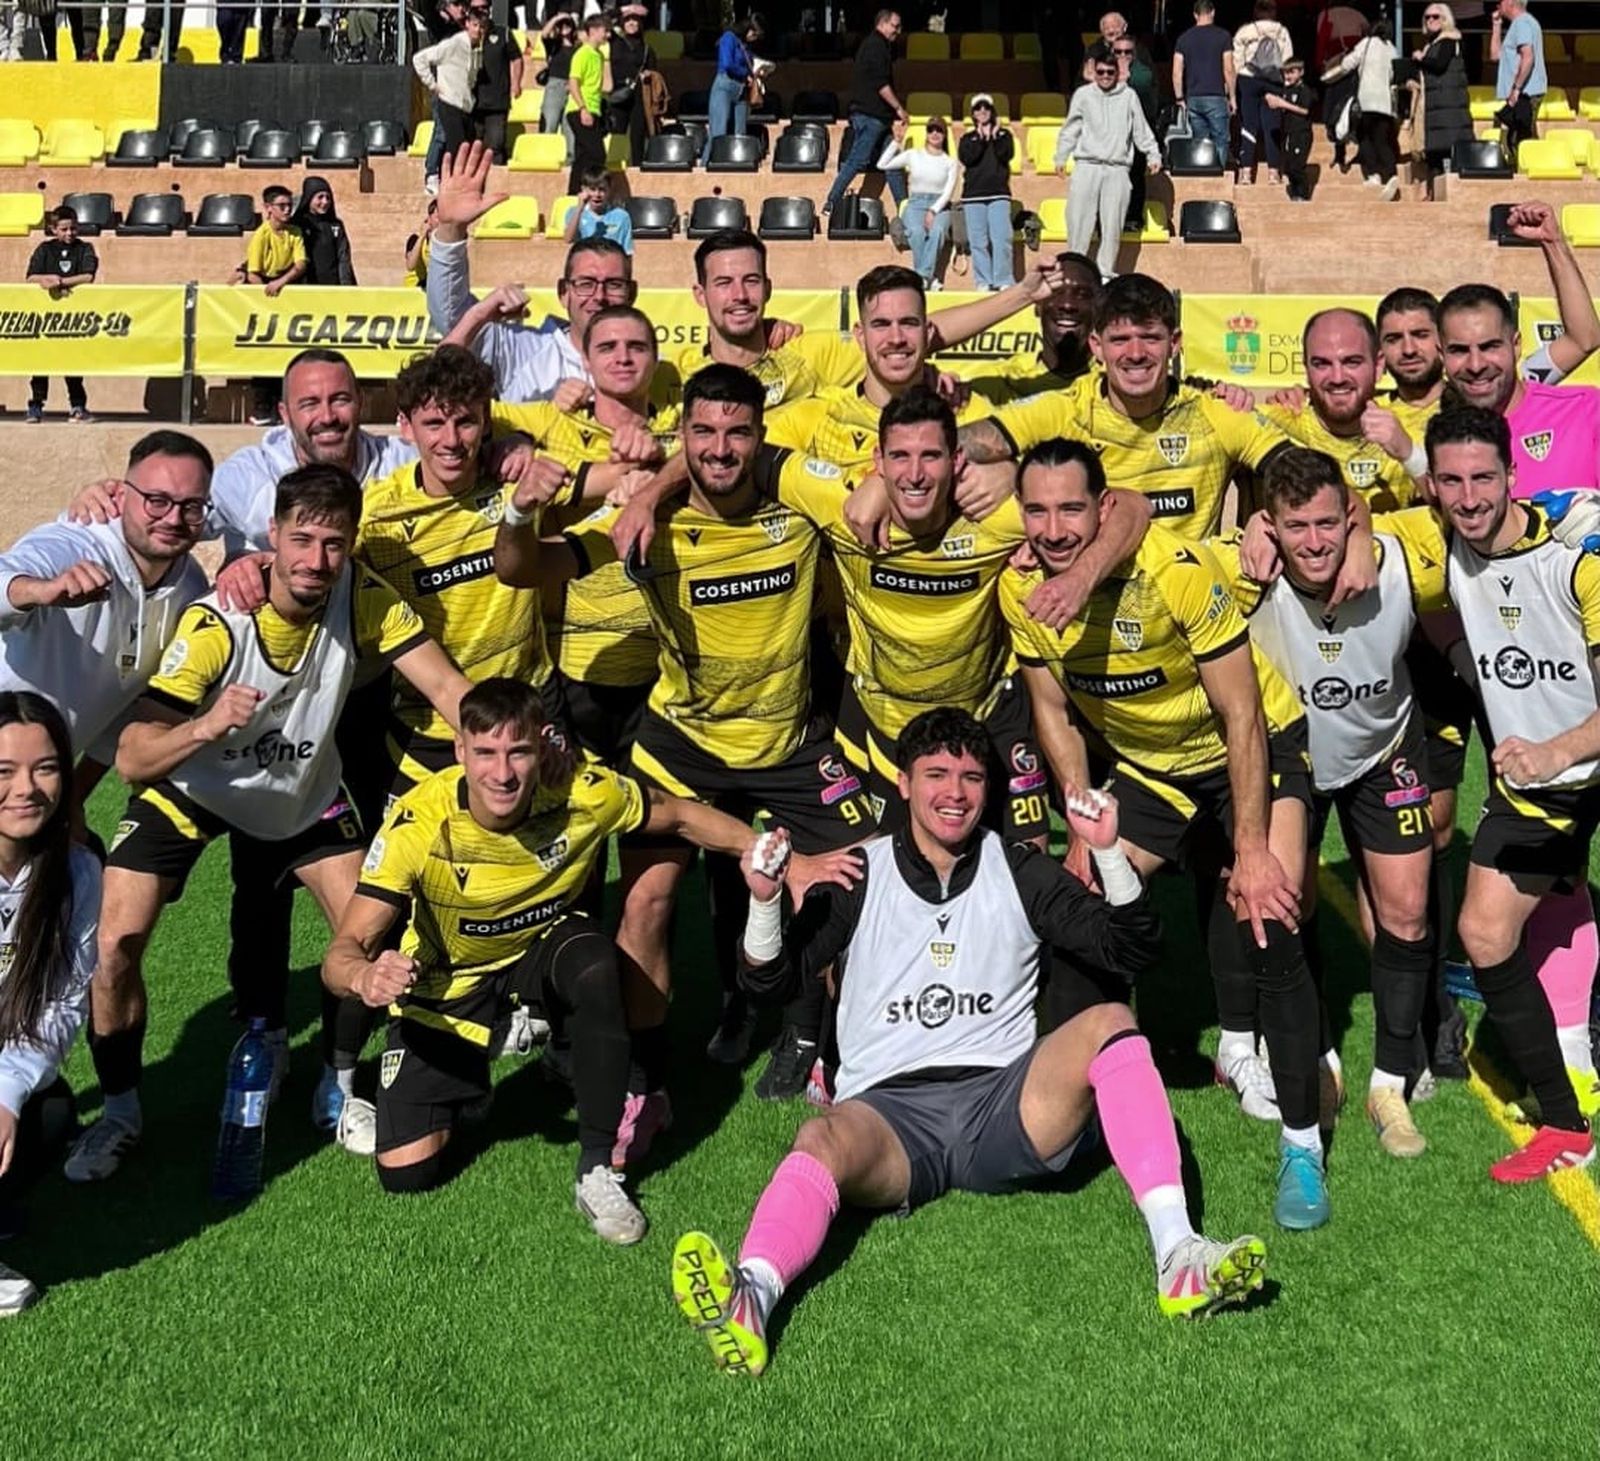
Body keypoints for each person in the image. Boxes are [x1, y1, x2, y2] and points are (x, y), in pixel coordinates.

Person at [670, 708, 1268, 1377]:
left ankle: (1179, 1252)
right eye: (936, 775)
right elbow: (770, 983)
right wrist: (762, 900)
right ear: (901, 783)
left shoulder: (1018, 867)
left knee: (1112, 1022)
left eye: (971, 777)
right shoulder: (857, 872)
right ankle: (751, 1293)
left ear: (990, 789)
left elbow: (1130, 944)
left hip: (1004, 1103)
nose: (954, 792)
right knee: (818, 1140)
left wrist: (1106, 850)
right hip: (890, 1116)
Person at [324, 677, 851, 1236]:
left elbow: (677, 816)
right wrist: (365, 977)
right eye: (485, 753)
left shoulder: (583, 791)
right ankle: (473, 1070)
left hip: (540, 957)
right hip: (449, 984)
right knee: (409, 1173)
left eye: (518, 752)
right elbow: (343, 951)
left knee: (596, 963)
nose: (502, 774)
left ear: (541, 748)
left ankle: (598, 1169)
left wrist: (782, 863)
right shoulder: (419, 823)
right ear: (460, 751)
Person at [64, 465, 473, 1183]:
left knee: (366, 928)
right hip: (197, 789)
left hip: (301, 794)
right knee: (114, 944)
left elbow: (448, 689)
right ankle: (121, 1112)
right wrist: (207, 725)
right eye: (303, 539)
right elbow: (133, 756)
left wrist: (508, 745)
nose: (317, 560)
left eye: (334, 543)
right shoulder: (218, 622)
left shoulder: (364, 600)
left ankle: (339, 1085)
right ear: (273, 537)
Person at [497, 365, 879, 1107]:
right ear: (683, 438)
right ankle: (644, 1075)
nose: (720, 448)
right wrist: (518, 515)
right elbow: (523, 572)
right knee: (644, 904)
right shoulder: (649, 525)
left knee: (854, 887)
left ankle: (824, 1041)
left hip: (790, 737)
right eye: (702, 432)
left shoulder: (796, 508)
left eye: (737, 432)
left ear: (761, 439)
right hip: (681, 741)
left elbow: (877, 499)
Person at [1001, 439, 1329, 1228]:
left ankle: (1303, 1143)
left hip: (1252, 746)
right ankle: (1082, 1108)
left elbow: (1242, 713)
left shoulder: (1176, 569)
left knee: (1270, 911)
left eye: (1071, 508)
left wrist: (1250, 850)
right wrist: (1079, 814)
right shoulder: (1020, 591)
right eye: (1037, 509)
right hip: (1154, 769)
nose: (1053, 527)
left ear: (1104, 506)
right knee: (1080, 906)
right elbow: (1052, 713)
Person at [1213, 449, 1450, 1157]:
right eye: (1295, 525)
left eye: (1327, 523)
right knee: (1285, 903)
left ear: (1350, 516)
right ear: (1269, 524)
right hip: (1292, 760)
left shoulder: (1402, 555)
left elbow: (1483, 511)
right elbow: (1144, 536)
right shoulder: (1242, 568)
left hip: (1386, 750)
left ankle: (1389, 1080)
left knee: (1406, 910)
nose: (1314, 541)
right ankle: (1316, 1057)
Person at [1421, 407, 1597, 1177]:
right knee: (1487, 934)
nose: (1469, 496)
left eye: (1483, 477)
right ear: (1432, 486)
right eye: (1452, 480)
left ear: (1513, 476)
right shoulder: (1440, 543)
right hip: (1546, 782)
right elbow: (1419, 598)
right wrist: (1470, 660)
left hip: (1568, 758)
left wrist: (1552, 748)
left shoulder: (1577, 555)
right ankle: (1565, 1123)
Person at [958, 275, 1292, 543]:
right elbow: (949, 448)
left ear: (1174, 343)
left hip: (1188, 605)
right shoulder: (1066, 409)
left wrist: (1267, 529)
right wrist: (1013, 471)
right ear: (1096, 346)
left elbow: (1304, 472)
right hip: (1087, 605)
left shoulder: (1214, 411)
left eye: (1150, 338)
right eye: (1119, 340)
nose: (1135, 353)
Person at [0, 433, 211, 792]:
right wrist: (40, 591)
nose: (173, 518)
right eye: (156, 501)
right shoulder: (74, 545)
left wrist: (74, 798)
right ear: (122, 495)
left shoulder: (189, 587)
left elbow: (124, 713)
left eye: (190, 506)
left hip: (33, 789)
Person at [0, 693, 101, 1315]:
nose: (28, 789)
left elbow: (64, 1004)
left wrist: (6, 1094)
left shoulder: (79, 872)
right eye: (4, 772)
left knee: (45, 1116)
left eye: (46, 768)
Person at [429, 142, 637, 402]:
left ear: (632, 292)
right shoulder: (522, 349)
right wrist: (451, 232)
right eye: (586, 283)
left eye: (614, 284)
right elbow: (453, 320)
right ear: (563, 292)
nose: (600, 295)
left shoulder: (650, 364)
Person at [1259, 309, 1423, 511]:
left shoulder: (1412, 432)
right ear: (1306, 368)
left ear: (1379, 365)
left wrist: (1408, 454)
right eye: (1322, 364)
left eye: (1351, 362)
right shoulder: (1276, 424)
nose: (1337, 378)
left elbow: (1461, 510)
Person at [1055, 58, 1161, 283]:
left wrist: (1153, 153)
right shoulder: (1083, 95)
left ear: (1117, 73)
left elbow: (1141, 129)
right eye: (1100, 71)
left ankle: (1104, 272)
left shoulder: (1129, 96)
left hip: (1117, 168)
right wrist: (1061, 156)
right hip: (1087, 165)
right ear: (1094, 72)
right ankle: (1074, 268)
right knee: (1078, 220)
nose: (1105, 76)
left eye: (1110, 72)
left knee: (1113, 224)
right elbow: (1071, 128)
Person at [823, 8, 908, 216]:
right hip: (872, 116)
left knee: (893, 165)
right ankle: (832, 200)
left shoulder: (876, 46)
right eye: (895, 26)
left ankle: (904, 210)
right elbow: (881, 84)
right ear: (883, 23)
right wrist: (899, 108)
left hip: (879, 118)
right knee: (858, 159)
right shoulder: (876, 47)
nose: (898, 31)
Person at [24, 207, 97, 425]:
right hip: (46, 318)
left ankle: (78, 406)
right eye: (64, 229)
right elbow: (30, 278)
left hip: (74, 317)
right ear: (53, 229)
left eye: (73, 228)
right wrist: (47, 279)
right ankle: (36, 406)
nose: (69, 233)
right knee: (40, 364)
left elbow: (88, 276)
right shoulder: (44, 249)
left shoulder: (85, 248)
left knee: (72, 364)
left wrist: (62, 282)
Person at [244, 185, 308, 427]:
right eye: (281, 206)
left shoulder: (295, 232)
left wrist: (281, 283)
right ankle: (262, 409)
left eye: (289, 205)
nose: (287, 210)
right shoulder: (261, 235)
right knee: (265, 356)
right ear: (268, 209)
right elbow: (253, 273)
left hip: (288, 292)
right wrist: (267, 293)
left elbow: (300, 263)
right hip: (266, 297)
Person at [1322, 17, 1399, 200]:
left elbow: (1348, 64)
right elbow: (1395, 73)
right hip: (1386, 103)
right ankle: (1392, 174)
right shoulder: (1392, 49)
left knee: (1364, 137)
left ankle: (1373, 175)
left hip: (1366, 100)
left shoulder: (1366, 43)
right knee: (1382, 140)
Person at [876, 116, 957, 289]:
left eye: (939, 130)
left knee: (938, 230)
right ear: (926, 133)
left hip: (940, 205)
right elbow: (882, 165)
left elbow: (948, 192)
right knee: (916, 232)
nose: (935, 133)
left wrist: (933, 211)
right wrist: (897, 142)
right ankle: (929, 279)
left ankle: (921, 276)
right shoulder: (913, 155)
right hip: (915, 203)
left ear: (945, 135)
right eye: (931, 129)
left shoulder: (950, 162)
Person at [957, 96, 1016, 293]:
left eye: (986, 108)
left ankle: (1003, 278)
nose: (982, 111)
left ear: (992, 111)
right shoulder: (967, 139)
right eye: (978, 108)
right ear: (973, 114)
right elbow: (968, 158)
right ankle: (983, 280)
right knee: (978, 242)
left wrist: (995, 134)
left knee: (1001, 238)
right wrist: (981, 139)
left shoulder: (1004, 135)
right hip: (974, 196)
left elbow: (1005, 154)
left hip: (998, 194)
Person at [412, 7, 487, 161]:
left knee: (466, 151)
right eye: (475, 25)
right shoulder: (454, 43)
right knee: (457, 151)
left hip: (466, 106)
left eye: (482, 27)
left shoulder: (477, 50)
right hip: (449, 102)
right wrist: (432, 84)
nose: (478, 30)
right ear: (467, 24)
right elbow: (419, 59)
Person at [1411, 4, 1473, 190]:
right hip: (1437, 112)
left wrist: (1421, 59)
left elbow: (1439, 65)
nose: (1430, 20)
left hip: (1448, 113)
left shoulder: (1449, 41)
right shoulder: (1434, 44)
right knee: (1435, 157)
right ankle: (1432, 193)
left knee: (1444, 156)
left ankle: (1439, 195)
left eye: (1435, 16)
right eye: (1427, 17)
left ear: (1445, 19)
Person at [1234, 0, 1294, 186]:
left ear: (1255, 10)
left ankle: (1245, 173)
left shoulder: (1245, 31)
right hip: (1273, 81)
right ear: (1274, 11)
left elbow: (1237, 60)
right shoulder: (1281, 31)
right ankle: (1273, 173)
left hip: (1248, 79)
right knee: (1272, 127)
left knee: (1249, 126)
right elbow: (1288, 59)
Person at [1173, 0, 1236, 164]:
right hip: (1216, 96)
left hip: (1193, 97)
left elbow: (1176, 72)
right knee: (1220, 140)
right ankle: (1218, 175)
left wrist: (1180, 98)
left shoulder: (1183, 39)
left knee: (1200, 141)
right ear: (1213, 12)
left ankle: (1203, 177)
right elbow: (1228, 69)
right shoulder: (1223, 36)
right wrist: (1232, 97)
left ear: (1195, 15)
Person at [704, 13, 763, 166]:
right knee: (719, 130)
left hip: (741, 89)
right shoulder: (728, 38)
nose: (755, 37)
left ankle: (736, 166)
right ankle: (708, 164)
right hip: (725, 85)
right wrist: (745, 73)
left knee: (739, 132)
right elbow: (727, 64)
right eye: (754, 33)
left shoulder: (746, 46)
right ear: (746, 28)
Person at [1490, 0, 1545, 160]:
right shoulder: (1520, 24)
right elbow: (1495, 56)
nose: (1497, 6)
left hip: (1525, 94)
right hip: (1521, 93)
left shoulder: (1522, 24)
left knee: (1522, 140)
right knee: (1518, 139)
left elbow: (1528, 57)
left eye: (1499, 2)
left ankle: (1526, 176)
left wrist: (1516, 88)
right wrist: (1496, 26)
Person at [470, 3, 522, 165]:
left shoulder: (503, 33)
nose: (481, 11)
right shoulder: (464, 35)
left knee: (495, 145)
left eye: (485, 7)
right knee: (472, 147)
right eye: (476, 9)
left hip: (497, 101)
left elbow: (517, 59)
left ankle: (495, 183)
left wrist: (516, 83)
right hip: (471, 101)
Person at [565, 12, 610, 194]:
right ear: (593, 31)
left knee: (583, 156)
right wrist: (583, 108)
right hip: (580, 110)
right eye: (605, 30)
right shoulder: (582, 53)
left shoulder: (599, 55)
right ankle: (588, 189)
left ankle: (575, 192)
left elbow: (604, 84)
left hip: (594, 109)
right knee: (597, 154)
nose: (607, 35)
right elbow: (574, 82)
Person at [604, 5, 653, 167]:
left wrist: (648, 74)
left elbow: (654, 71)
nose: (632, 23)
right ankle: (614, 165)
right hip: (619, 92)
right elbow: (603, 20)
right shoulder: (616, 41)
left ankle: (636, 167)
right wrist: (626, 9)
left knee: (638, 134)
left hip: (638, 94)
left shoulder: (647, 49)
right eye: (628, 20)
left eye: (635, 20)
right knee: (617, 132)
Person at [291, 178, 357, 288]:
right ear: (309, 198)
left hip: (332, 288)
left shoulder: (336, 225)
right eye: (320, 197)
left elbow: (343, 258)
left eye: (328, 197)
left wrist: (346, 286)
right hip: (305, 289)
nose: (325, 202)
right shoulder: (297, 225)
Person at [534, 8, 578, 163]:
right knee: (549, 123)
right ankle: (544, 158)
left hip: (573, 87)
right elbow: (544, 34)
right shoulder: (553, 45)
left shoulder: (579, 48)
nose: (565, 27)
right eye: (562, 25)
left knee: (570, 128)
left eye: (568, 24)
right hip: (555, 85)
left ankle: (570, 162)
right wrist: (558, 18)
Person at [1268, 57, 1315, 200]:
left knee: (1297, 166)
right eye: (1286, 72)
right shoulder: (1286, 90)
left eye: (1292, 72)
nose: (1288, 76)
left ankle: (1303, 194)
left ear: (1301, 72)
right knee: (1288, 167)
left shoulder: (1304, 90)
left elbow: (1305, 110)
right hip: (1288, 132)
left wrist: (1283, 104)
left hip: (1301, 133)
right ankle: (1295, 193)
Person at [564, 166, 635, 254]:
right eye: (592, 189)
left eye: (602, 190)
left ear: (609, 189)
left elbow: (627, 251)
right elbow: (568, 239)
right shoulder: (573, 213)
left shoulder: (621, 217)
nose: (597, 194)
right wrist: (580, 208)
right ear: (584, 189)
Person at [404, 201, 438, 288]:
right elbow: (410, 265)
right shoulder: (417, 241)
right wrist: (423, 235)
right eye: (438, 217)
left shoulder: (446, 242)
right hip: (416, 288)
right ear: (429, 219)